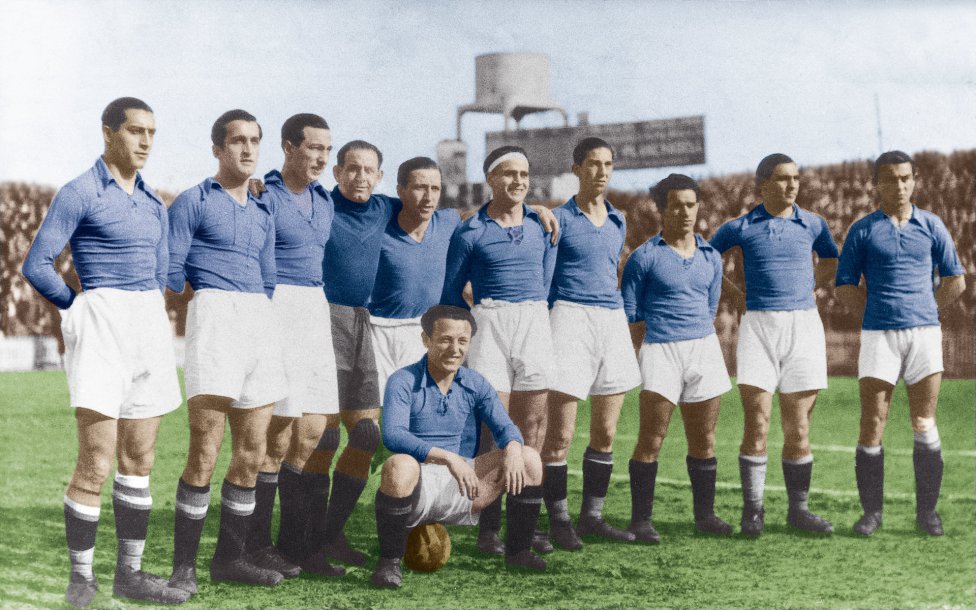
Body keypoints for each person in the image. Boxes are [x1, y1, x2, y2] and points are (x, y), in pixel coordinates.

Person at [21, 97, 190, 607]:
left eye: (152, 133)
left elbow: (163, 277)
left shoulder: (154, 203)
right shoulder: (80, 192)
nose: (144, 142)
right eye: (135, 131)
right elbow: (37, 264)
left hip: (148, 325)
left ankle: (130, 575)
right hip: (102, 321)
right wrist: (77, 308)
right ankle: (81, 579)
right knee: (95, 460)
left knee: (139, 458)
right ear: (107, 133)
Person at [166, 109, 289, 592]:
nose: (247, 149)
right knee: (205, 449)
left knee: (253, 451)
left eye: (254, 141)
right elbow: (173, 275)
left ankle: (230, 560)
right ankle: (184, 567)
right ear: (217, 148)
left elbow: (271, 278)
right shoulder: (192, 201)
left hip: (259, 316)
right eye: (237, 140)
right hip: (214, 315)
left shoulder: (263, 209)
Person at [836, 150, 966, 537]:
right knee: (872, 423)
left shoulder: (932, 225)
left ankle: (927, 513)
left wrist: (925, 309)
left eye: (906, 178)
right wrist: (877, 313)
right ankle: (871, 514)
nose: (900, 185)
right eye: (890, 178)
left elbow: (955, 281)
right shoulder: (862, 229)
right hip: (880, 336)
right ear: (877, 183)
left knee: (923, 422)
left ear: (915, 180)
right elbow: (844, 287)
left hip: (924, 335)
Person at [370, 305, 546, 588]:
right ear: (426, 340)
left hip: (463, 486)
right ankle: (389, 564)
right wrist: (448, 458)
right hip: (416, 484)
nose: (455, 349)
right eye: (445, 339)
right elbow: (393, 435)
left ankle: (519, 553)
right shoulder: (403, 380)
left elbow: (505, 427)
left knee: (529, 458)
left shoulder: (475, 382)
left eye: (462, 341)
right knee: (398, 465)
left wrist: (513, 447)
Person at [710, 153, 838, 536]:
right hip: (759, 326)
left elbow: (831, 260)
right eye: (783, 179)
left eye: (796, 178)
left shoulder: (813, 223)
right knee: (759, 422)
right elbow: (707, 259)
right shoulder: (741, 226)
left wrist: (809, 285)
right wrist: (735, 296)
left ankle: (798, 511)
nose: (792, 185)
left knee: (798, 428)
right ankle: (754, 511)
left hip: (802, 324)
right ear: (762, 184)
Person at [441, 145, 558, 555]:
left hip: (534, 319)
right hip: (489, 321)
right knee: (493, 428)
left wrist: (541, 210)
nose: (518, 182)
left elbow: (546, 283)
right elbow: (451, 294)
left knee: (534, 428)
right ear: (491, 179)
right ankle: (488, 527)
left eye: (524, 175)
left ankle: (523, 529)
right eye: (509, 174)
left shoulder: (543, 225)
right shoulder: (470, 231)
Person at [245, 113, 345, 578]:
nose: (322, 157)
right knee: (278, 432)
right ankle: (257, 543)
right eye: (313, 148)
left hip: (315, 307)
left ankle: (296, 544)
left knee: (316, 429)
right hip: (278, 303)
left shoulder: (326, 200)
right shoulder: (264, 193)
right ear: (288, 148)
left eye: (327, 149)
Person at [540, 138, 640, 552]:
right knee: (560, 435)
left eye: (608, 164)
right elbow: (545, 278)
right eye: (593, 164)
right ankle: (559, 520)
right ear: (577, 168)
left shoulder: (618, 220)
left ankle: (593, 516)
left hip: (610, 320)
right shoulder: (557, 218)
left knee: (606, 429)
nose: (601, 172)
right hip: (569, 317)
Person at [622, 174, 733, 539]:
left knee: (704, 440)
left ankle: (705, 516)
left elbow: (711, 306)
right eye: (676, 205)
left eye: (691, 204)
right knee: (651, 439)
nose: (685, 212)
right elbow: (633, 315)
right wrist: (651, 346)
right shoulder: (644, 257)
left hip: (703, 348)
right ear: (661, 209)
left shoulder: (711, 257)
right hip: (660, 349)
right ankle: (641, 520)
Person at [368, 157, 460, 400]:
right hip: (377, 331)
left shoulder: (449, 222)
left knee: (417, 413)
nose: (429, 197)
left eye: (435, 188)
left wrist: (535, 209)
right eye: (420, 188)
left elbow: (490, 214)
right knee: (373, 422)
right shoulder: (379, 227)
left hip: (422, 332)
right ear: (401, 190)